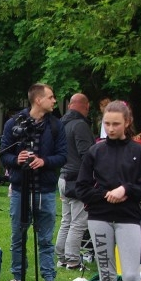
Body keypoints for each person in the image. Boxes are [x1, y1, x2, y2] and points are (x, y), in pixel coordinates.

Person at [76, 101, 141, 281]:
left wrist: (125, 190)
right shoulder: (95, 152)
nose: (110, 128)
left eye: (115, 124)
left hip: (128, 218)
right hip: (99, 217)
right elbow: (82, 188)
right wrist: (106, 195)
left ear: (127, 123)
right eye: (106, 123)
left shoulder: (138, 151)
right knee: (107, 275)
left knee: (131, 275)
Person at [0, 83, 67, 281]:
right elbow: (4, 154)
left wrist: (44, 161)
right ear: (38, 100)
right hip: (21, 188)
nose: (54, 101)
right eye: (51, 97)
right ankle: (18, 276)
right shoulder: (13, 124)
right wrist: (16, 159)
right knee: (18, 234)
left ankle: (48, 278)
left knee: (45, 237)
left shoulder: (56, 126)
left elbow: (63, 156)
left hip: (45, 189)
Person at [56, 93, 93, 269]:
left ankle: (61, 256)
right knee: (78, 222)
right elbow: (86, 154)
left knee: (66, 220)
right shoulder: (80, 125)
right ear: (85, 106)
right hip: (78, 179)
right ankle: (72, 259)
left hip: (63, 177)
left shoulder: (60, 124)